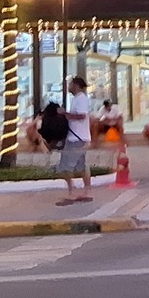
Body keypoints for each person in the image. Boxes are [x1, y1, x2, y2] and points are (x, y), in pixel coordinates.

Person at [56, 76, 92, 206]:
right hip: (80, 137)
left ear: (76, 85)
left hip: (77, 138)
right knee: (81, 166)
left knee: (65, 166)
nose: (69, 86)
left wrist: (65, 113)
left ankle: (72, 192)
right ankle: (86, 192)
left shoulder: (81, 99)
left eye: (70, 84)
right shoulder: (77, 99)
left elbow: (81, 115)